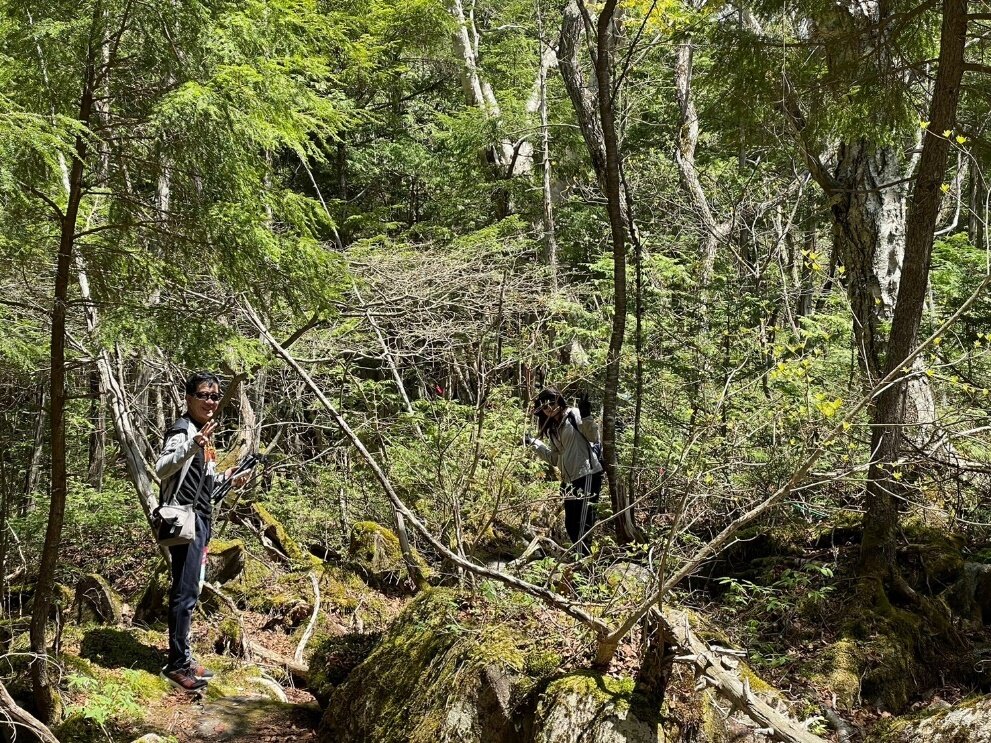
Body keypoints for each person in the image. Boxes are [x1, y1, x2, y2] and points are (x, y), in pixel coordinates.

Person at [154, 372, 246, 692]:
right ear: (189, 398)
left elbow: (205, 485)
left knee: (192, 588)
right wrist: (192, 445)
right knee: (184, 591)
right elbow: (162, 468)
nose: (210, 401)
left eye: (215, 396)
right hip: (185, 521)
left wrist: (229, 478)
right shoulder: (183, 430)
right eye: (204, 395)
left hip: (201, 520)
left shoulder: (201, 433)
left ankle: (185, 657)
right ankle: (177, 664)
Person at [524, 387, 603, 557]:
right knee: (571, 524)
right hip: (568, 480)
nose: (549, 408)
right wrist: (534, 443)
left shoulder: (574, 414)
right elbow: (554, 458)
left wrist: (586, 415)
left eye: (552, 403)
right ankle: (581, 559)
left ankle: (585, 562)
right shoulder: (553, 428)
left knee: (583, 524)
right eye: (545, 407)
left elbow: (593, 437)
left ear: (559, 400)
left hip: (587, 474)